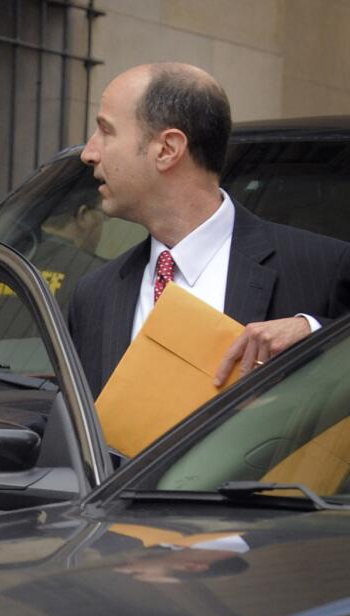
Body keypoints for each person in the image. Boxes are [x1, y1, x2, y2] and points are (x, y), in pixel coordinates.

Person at [69, 62, 350, 395]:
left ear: (167, 149)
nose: (89, 153)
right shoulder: (93, 296)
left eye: (106, 130)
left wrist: (319, 335)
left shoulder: (323, 267)